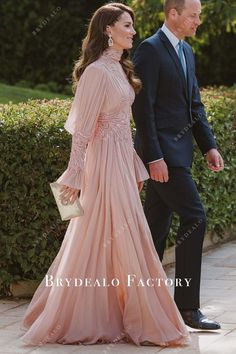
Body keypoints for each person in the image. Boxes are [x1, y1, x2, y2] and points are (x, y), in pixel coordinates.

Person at [19, 2, 191, 348]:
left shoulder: (119, 69)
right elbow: (83, 131)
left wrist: (134, 164)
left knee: (119, 234)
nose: (133, 31)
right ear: (107, 30)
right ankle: (82, 314)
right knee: (104, 233)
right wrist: (75, 175)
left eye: (132, 25)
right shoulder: (97, 72)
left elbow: (119, 128)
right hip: (101, 167)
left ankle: (119, 310)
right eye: (126, 25)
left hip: (119, 164)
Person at [132, 0, 224, 330]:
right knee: (195, 217)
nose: (198, 21)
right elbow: (143, 109)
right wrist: (154, 157)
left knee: (153, 231)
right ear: (173, 14)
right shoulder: (149, 50)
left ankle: (140, 303)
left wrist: (209, 146)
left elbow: (194, 106)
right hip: (163, 158)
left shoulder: (187, 52)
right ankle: (186, 308)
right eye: (193, 15)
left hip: (181, 154)